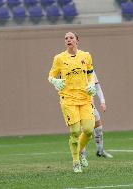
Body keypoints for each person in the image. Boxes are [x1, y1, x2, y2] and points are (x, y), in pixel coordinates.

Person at [48, 32, 96, 173]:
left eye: (71, 38)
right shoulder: (59, 58)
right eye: (66, 38)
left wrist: (92, 84)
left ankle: (79, 151)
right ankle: (75, 161)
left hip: (85, 98)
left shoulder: (86, 56)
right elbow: (50, 75)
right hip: (68, 99)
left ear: (77, 41)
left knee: (88, 130)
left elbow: (90, 73)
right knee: (75, 132)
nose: (68, 40)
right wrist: (55, 81)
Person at [81, 71, 113, 159]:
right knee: (84, 130)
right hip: (78, 105)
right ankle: (82, 155)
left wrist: (102, 102)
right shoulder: (75, 70)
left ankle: (100, 151)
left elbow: (97, 88)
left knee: (98, 127)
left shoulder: (91, 71)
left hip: (90, 105)